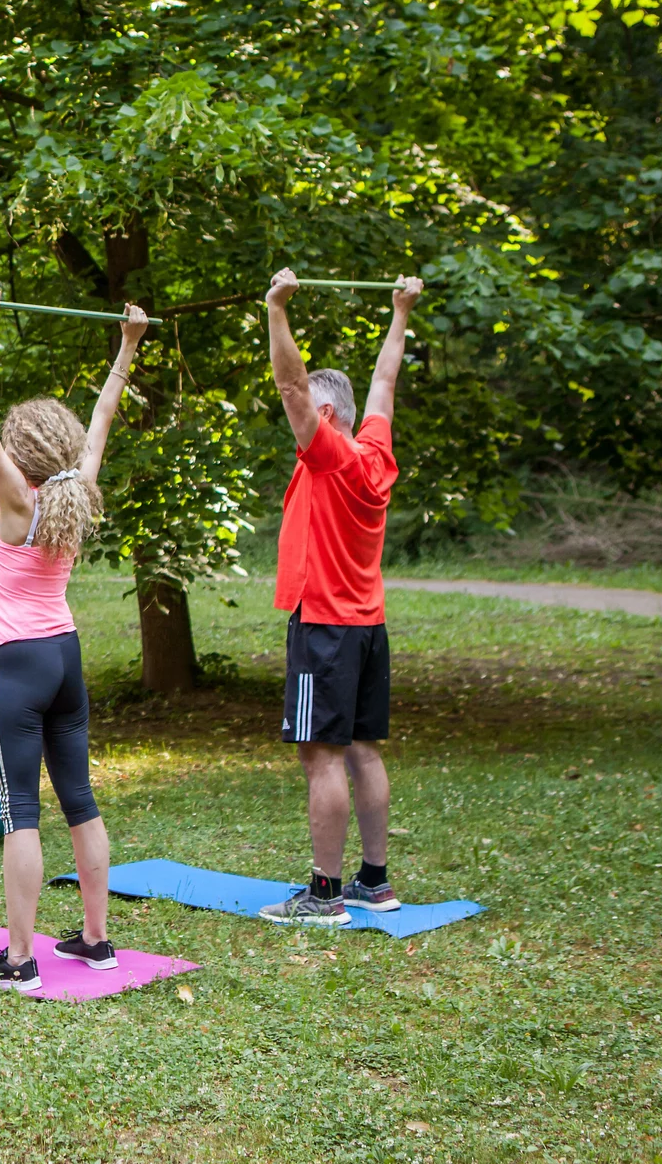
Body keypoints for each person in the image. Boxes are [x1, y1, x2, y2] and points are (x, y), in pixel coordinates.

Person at [0, 282, 148, 993]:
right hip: (66, 657)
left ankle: (18, 959)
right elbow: (102, 416)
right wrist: (126, 346)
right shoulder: (77, 489)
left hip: (17, 664)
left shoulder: (18, 501)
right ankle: (95, 940)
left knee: (20, 814)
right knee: (80, 798)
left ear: (23, 453)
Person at [258, 268, 424, 924]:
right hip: (367, 627)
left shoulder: (329, 455)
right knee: (361, 747)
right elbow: (385, 381)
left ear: (325, 418)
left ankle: (324, 894)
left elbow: (290, 382)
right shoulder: (375, 452)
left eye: (301, 415)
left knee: (320, 755)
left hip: (324, 628)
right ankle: (374, 881)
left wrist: (278, 310)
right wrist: (400, 312)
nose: (291, 418)